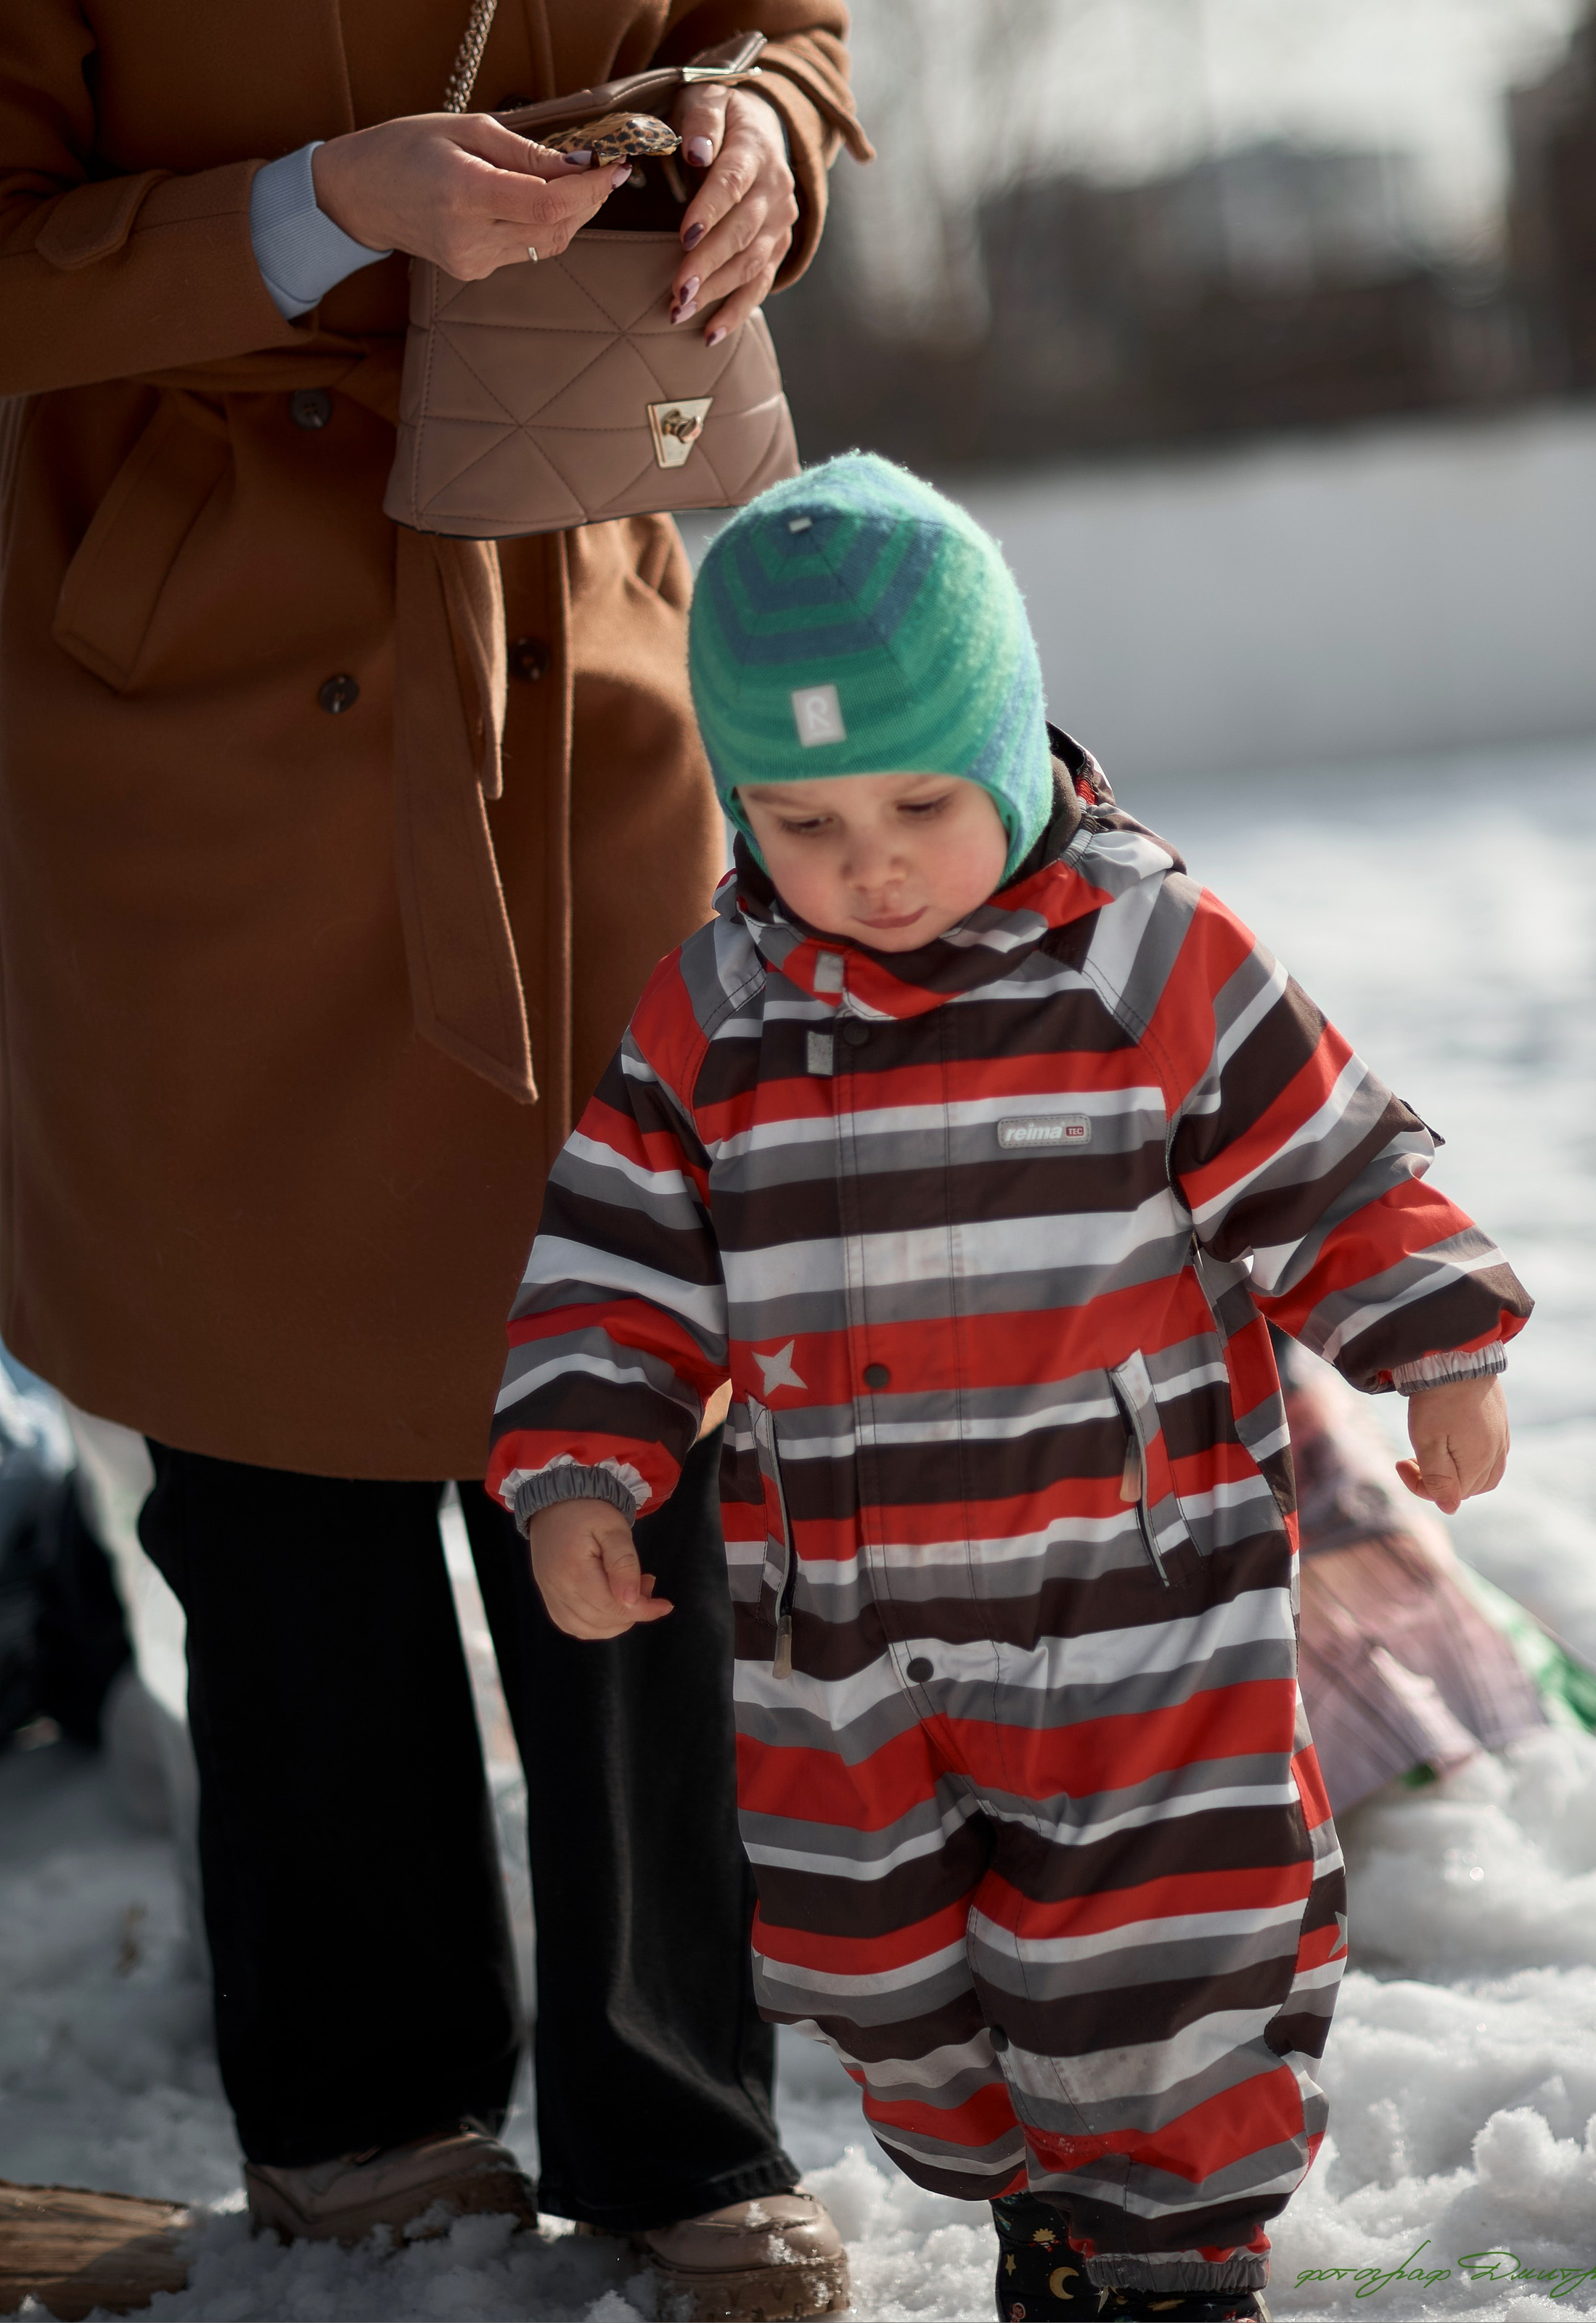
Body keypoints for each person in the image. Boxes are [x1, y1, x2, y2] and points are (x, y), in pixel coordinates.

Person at [0, 7, 865, 2316]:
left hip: (576, 649)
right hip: (194, 705)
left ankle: (683, 2117)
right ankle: (365, 2119)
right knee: (275, 1437)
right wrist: (319, 211)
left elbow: (782, 25)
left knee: (635, 1402)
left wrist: (766, 133)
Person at [486, 454, 1534, 2322]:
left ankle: (1170, 2253)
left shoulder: (1142, 953)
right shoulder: (713, 1011)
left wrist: (1434, 1344)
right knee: (875, 1969)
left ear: (1002, 749)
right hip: (841, 1632)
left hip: (1134, 1604)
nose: (867, 862)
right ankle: (1038, 2192)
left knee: (1162, 1948)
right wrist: (581, 1465)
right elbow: (616, 1251)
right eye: (800, 820)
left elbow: (1327, 1163)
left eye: (916, 801)